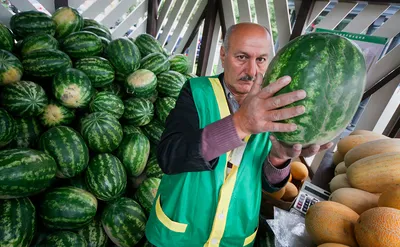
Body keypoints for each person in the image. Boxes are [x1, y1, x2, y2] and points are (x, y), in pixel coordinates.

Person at [145, 22, 333, 247]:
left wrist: (279, 158)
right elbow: (170, 157)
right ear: (223, 55)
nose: (252, 71)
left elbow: (270, 185)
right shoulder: (196, 91)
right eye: (242, 57)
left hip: (234, 237)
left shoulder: (275, 107)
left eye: (261, 59)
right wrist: (240, 124)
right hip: (180, 234)